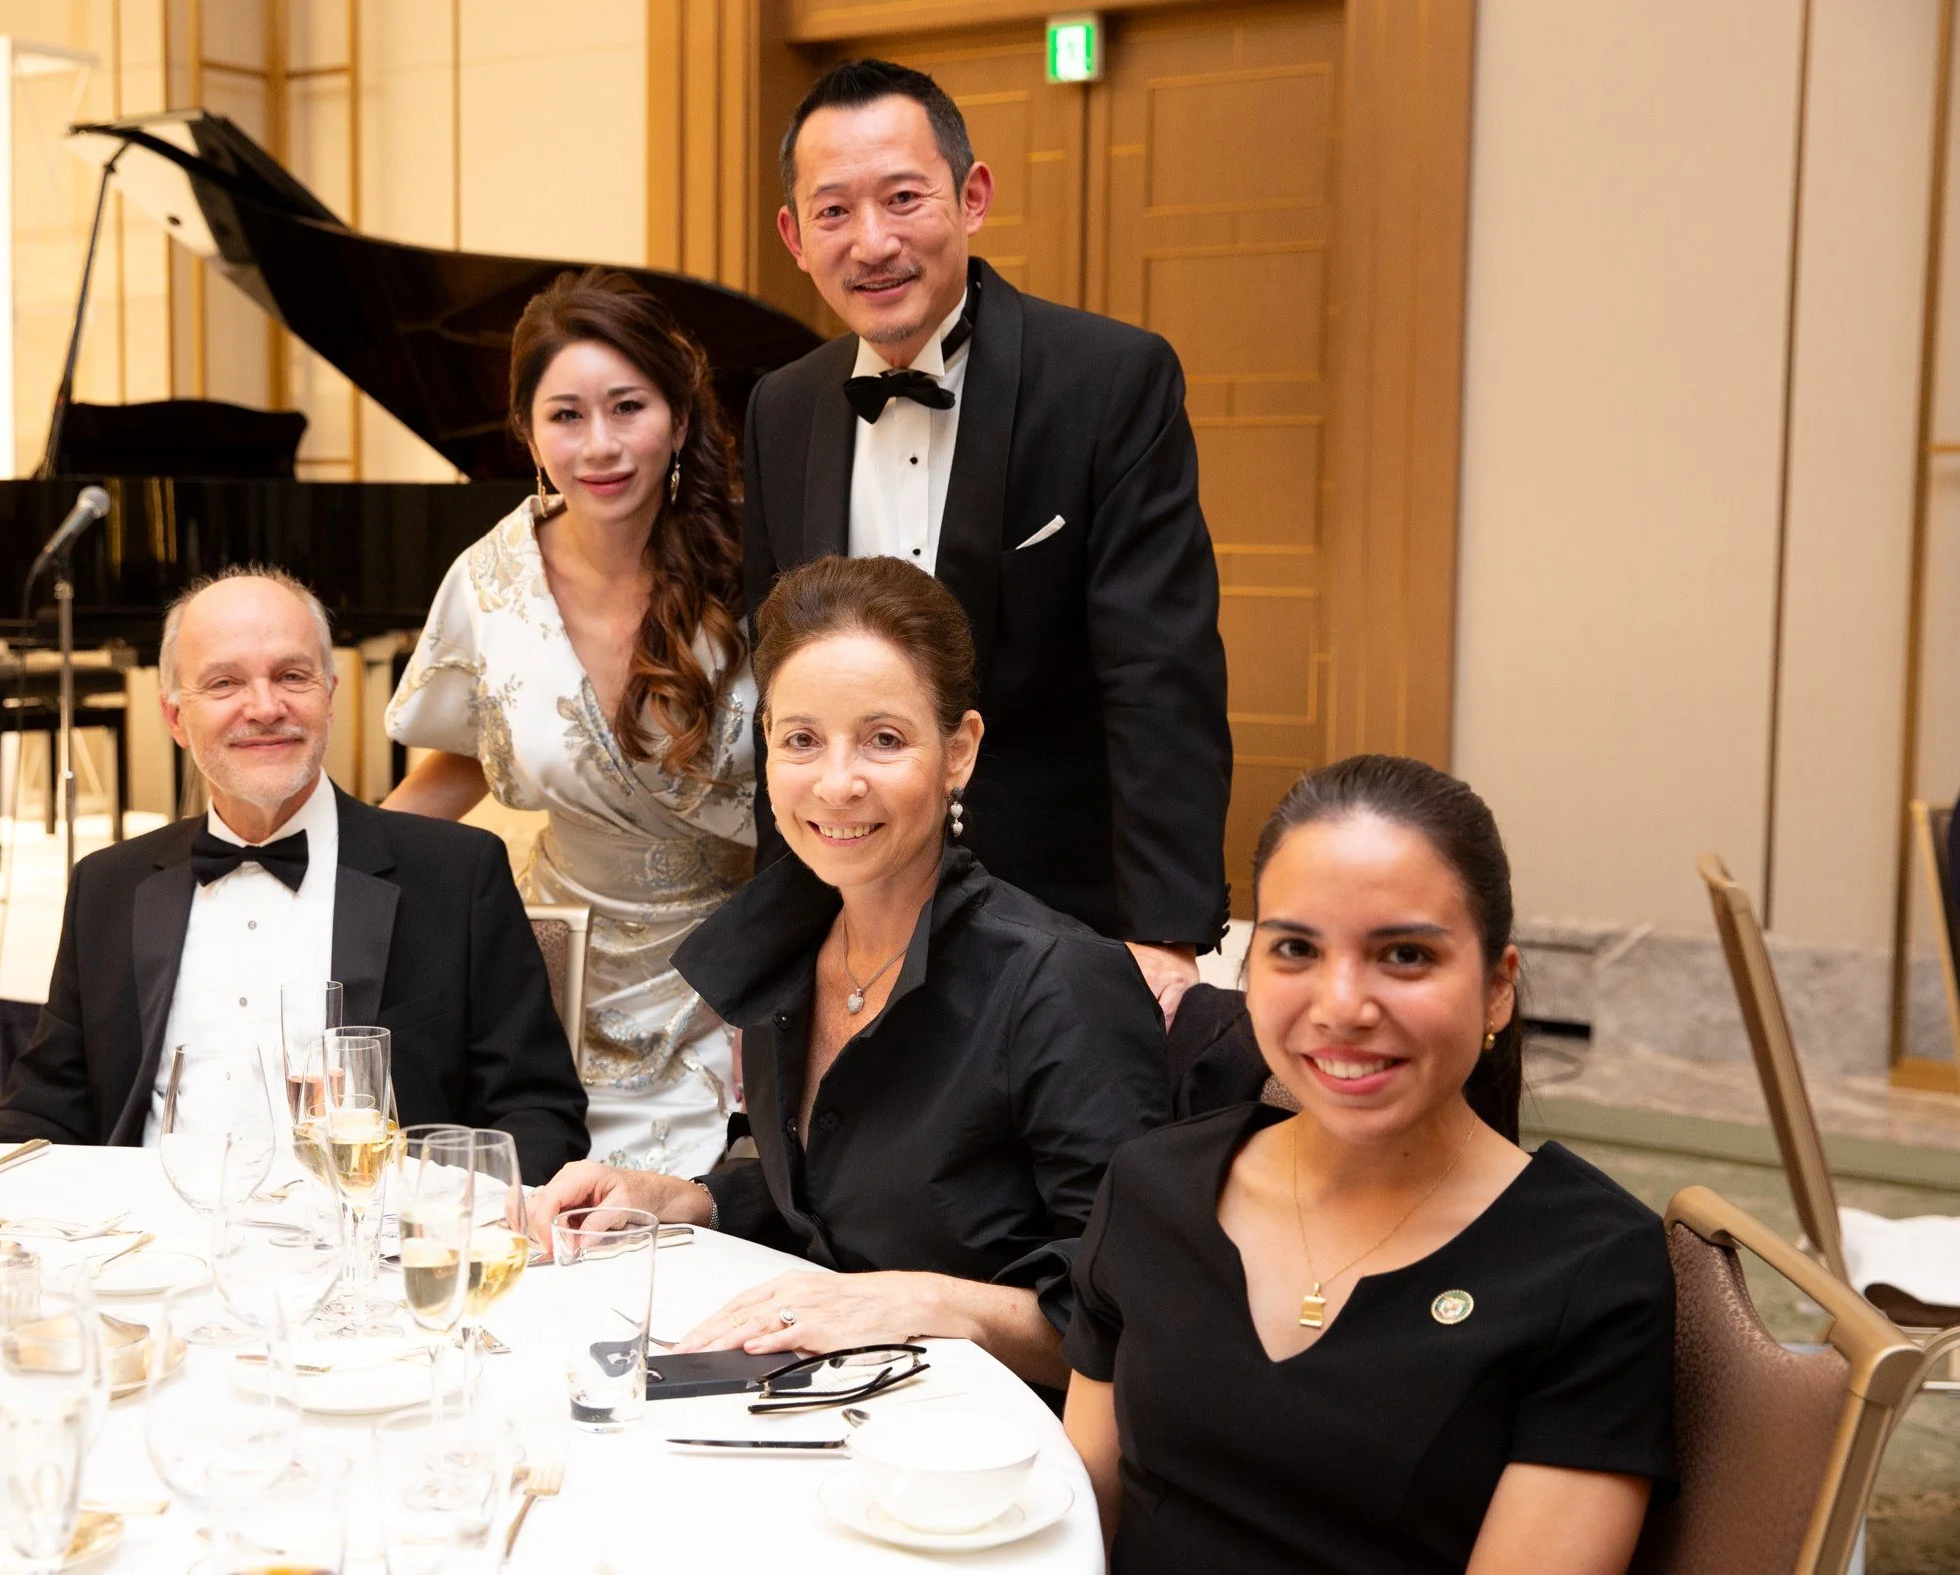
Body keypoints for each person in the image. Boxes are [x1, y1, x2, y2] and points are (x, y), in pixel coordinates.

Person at [528, 555, 1173, 1384]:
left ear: (960, 752)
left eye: (884, 740)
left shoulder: (1062, 983)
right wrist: (687, 1197)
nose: (837, 783)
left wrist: (925, 1301)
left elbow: (1136, 1311)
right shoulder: (792, 942)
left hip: (990, 1433)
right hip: (821, 1402)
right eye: (802, 740)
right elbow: (836, 1206)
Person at [1061, 756, 1676, 1572]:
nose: (1342, 1006)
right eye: (1295, 948)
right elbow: (1077, 1521)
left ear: (1498, 987)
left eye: (1406, 955)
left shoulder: (1589, 1265)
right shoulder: (1152, 1185)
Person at [740, 58, 1232, 1023]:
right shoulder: (781, 407)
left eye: (904, 198)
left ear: (972, 197)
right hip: (852, 915)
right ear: (794, 237)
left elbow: (1160, 672)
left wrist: (1164, 934)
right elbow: (780, 689)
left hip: (1059, 908)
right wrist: (781, 939)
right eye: (834, 211)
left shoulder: (1109, 380)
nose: (873, 242)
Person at [0, 565, 590, 1183]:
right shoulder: (109, 886)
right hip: (147, 1252)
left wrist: (420, 1214)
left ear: (330, 695)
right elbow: (52, 1111)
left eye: (291, 676)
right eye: (224, 682)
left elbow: (539, 1117)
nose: (264, 707)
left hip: (363, 1252)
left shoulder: (454, 875)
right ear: (175, 716)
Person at [383, 269, 756, 1179]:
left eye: (628, 407)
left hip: (738, 970)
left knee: (699, 1218)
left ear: (679, 416)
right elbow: (464, 760)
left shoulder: (753, 566)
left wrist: (788, 977)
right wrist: (335, 867)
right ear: (528, 432)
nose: (600, 445)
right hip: (554, 965)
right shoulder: (488, 581)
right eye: (566, 415)